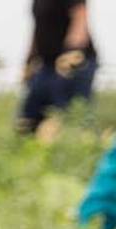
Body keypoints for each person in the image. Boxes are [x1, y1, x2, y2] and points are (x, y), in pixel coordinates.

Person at [23, 0, 97, 135]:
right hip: (47, 64)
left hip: (73, 62)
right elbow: (38, 28)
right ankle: (28, 151)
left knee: (72, 115)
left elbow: (80, 20)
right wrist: (29, 61)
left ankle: (80, 149)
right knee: (29, 117)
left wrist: (71, 53)